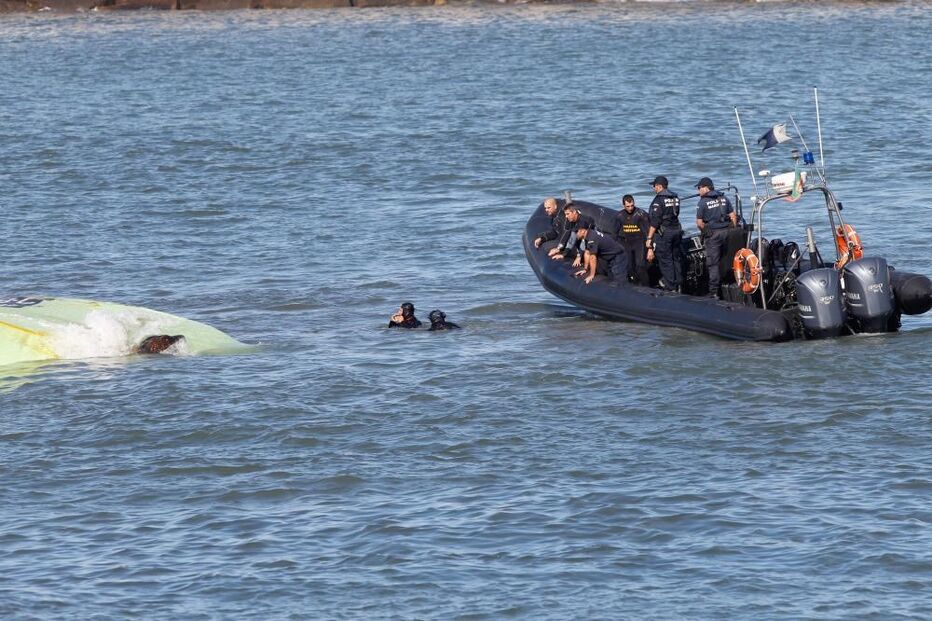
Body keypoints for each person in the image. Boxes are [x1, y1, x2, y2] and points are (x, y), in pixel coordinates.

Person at [695, 177, 738, 298]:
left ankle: (713, 292)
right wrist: (732, 229)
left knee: (713, 263)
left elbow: (699, 223)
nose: (698, 191)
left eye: (699, 188)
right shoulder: (724, 198)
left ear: (706, 188)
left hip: (713, 235)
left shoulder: (702, 202)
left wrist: (706, 232)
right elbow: (733, 217)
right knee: (728, 259)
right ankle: (731, 283)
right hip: (727, 233)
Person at [645, 175, 683, 292]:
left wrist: (649, 238)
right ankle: (679, 283)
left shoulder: (658, 200)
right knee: (675, 258)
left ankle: (670, 286)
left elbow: (655, 221)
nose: (653, 188)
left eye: (654, 186)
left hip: (665, 233)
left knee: (665, 259)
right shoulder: (675, 197)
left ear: (659, 186)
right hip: (677, 230)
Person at [616, 194, 651, 286]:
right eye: (628, 206)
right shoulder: (619, 215)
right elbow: (614, 233)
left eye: (632, 205)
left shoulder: (641, 214)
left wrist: (650, 248)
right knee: (630, 267)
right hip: (627, 243)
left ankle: (646, 287)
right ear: (623, 205)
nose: (630, 208)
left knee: (640, 267)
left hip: (639, 243)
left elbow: (648, 232)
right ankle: (634, 286)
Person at [550, 204, 595, 268]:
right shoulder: (571, 220)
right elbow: (568, 233)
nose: (566, 216)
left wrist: (579, 257)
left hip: (591, 242)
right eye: (565, 214)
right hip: (581, 241)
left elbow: (583, 240)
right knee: (572, 234)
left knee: (575, 236)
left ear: (574, 212)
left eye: (568, 214)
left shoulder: (583, 221)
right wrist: (559, 248)